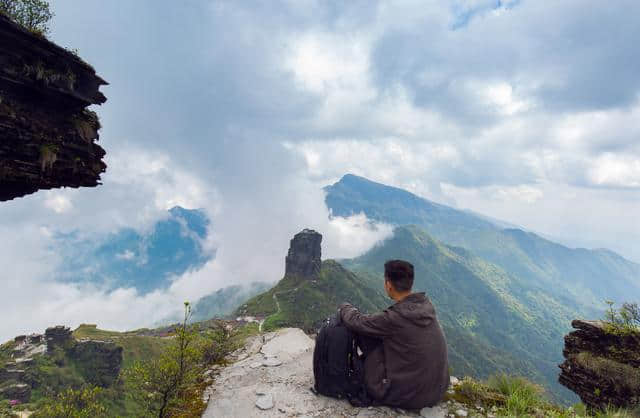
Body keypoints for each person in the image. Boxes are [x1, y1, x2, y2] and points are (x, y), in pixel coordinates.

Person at [339, 260, 449, 409]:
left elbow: (356, 321)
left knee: (364, 334)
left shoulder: (394, 318)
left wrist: (345, 307)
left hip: (408, 397)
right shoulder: (425, 306)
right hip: (437, 390)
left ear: (388, 285)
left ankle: (348, 373)